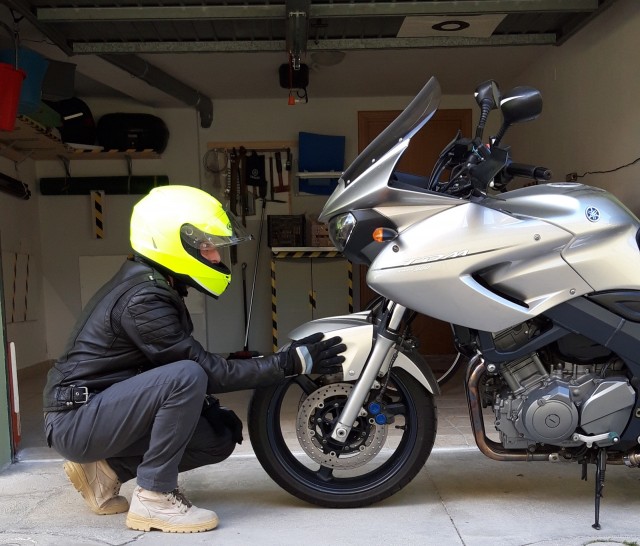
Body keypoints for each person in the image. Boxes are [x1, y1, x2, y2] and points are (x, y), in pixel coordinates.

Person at [43, 185, 346, 534]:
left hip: (95, 412)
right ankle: (154, 497)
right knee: (187, 376)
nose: (215, 256)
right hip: (75, 419)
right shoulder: (143, 300)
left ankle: (105, 471)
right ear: (170, 243)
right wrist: (289, 363)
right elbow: (201, 371)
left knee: (216, 435)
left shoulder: (155, 285)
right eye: (206, 247)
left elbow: (175, 369)